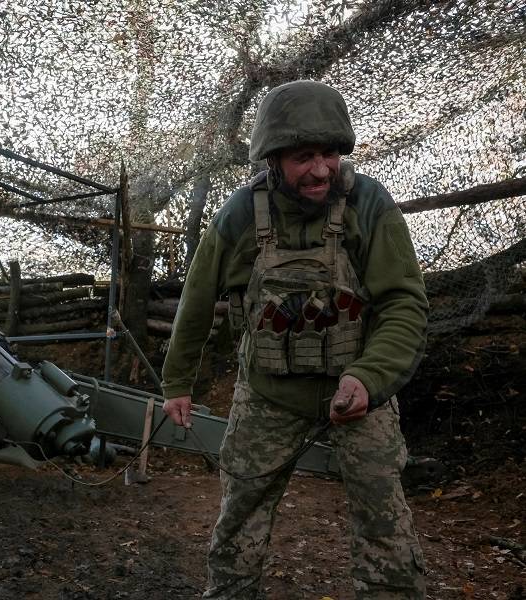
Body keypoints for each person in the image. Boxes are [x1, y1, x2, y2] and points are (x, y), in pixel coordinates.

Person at [161, 80, 428, 599]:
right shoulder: (241, 213)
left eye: (329, 154)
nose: (321, 170)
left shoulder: (369, 204)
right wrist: (178, 382)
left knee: (383, 518)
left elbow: (404, 303)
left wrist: (368, 378)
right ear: (273, 159)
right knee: (241, 512)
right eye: (304, 157)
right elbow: (197, 299)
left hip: (358, 392)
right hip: (269, 394)